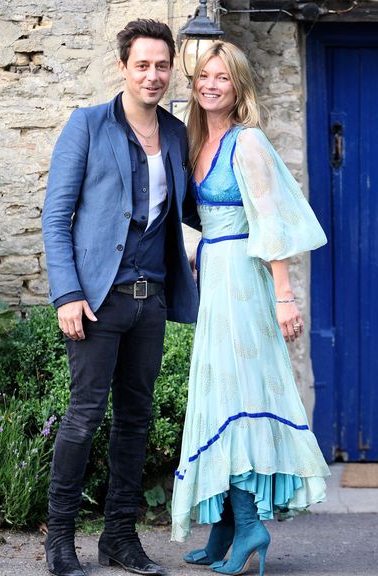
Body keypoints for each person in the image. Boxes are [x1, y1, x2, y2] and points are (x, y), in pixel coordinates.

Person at [42, 19, 199, 576]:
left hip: (150, 300)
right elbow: (56, 217)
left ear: (169, 69)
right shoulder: (87, 126)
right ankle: (59, 540)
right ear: (123, 68)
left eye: (161, 66)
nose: (152, 76)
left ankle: (119, 537)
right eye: (142, 65)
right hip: (96, 300)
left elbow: (195, 212)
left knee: (135, 419)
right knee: (83, 417)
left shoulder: (179, 135)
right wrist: (66, 293)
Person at [171, 41, 331, 576]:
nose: (211, 85)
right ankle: (224, 525)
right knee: (217, 393)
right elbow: (203, 222)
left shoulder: (249, 142)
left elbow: (271, 222)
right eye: (203, 77)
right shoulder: (196, 140)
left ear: (239, 86)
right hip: (215, 277)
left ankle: (249, 524)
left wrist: (285, 296)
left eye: (223, 77)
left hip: (246, 280)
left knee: (234, 395)